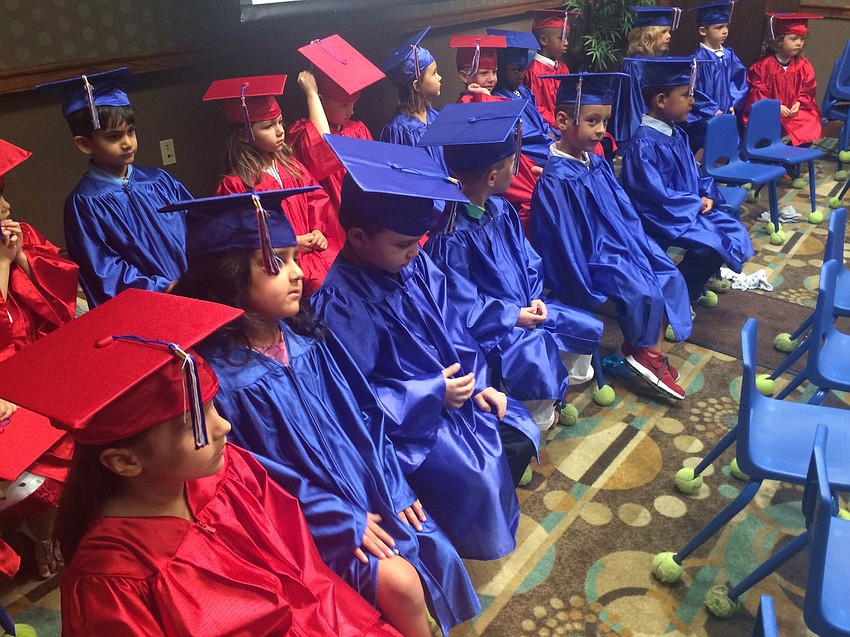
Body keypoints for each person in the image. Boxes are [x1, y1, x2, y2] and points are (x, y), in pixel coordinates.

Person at [0, 288, 405, 637]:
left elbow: (309, 580)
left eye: (213, 409)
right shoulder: (111, 583)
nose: (224, 426)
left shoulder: (230, 474)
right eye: (195, 423)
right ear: (124, 461)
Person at [167, 189, 480, 637]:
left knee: (431, 543)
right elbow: (250, 479)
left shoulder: (309, 341)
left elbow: (365, 415)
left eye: (296, 257)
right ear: (228, 278)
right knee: (400, 581)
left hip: (369, 486)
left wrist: (393, 484)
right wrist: (339, 520)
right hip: (305, 526)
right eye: (277, 263)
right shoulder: (219, 381)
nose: (297, 274)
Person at [312, 136, 539, 560]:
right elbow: (352, 398)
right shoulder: (339, 304)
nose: (415, 253)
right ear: (358, 238)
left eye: (418, 242)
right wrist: (433, 392)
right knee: (479, 472)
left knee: (519, 429)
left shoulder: (411, 262)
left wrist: (479, 383)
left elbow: (454, 329)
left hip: (452, 395)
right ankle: (448, 538)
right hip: (403, 425)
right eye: (403, 244)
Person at [419, 101, 603, 433]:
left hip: (525, 307)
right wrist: (512, 315)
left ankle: (552, 400)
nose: (516, 170)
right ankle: (524, 424)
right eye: (512, 165)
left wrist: (535, 298)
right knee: (534, 354)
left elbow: (529, 260)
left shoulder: (502, 210)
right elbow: (460, 305)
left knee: (579, 324)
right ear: (493, 176)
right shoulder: (452, 236)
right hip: (493, 327)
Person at [531, 73, 693, 401]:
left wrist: (637, 244)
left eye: (605, 120)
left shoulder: (599, 163)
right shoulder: (556, 180)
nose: (602, 130)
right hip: (591, 257)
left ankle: (642, 350)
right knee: (643, 287)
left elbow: (624, 212)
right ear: (562, 120)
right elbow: (563, 242)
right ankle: (644, 353)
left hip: (619, 242)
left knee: (667, 271)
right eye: (592, 121)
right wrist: (581, 282)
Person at [38, 68, 190, 307]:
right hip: (149, 305)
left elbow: (196, 224)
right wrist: (164, 288)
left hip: (192, 289)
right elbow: (104, 270)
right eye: (113, 137)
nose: (127, 143)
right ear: (85, 144)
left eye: (131, 131)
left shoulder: (159, 181)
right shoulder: (85, 203)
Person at [620, 58, 754, 315]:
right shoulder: (643, 145)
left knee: (732, 231)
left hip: (684, 210)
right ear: (661, 100)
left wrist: (706, 193)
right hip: (658, 216)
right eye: (686, 95)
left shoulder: (676, 134)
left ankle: (687, 289)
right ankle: (676, 297)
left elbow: (694, 173)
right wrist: (694, 203)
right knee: (710, 244)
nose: (693, 101)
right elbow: (653, 194)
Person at [0, 138, 78, 580]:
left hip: (41, 362)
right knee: (46, 470)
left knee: (90, 431)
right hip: (4, 383)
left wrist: (24, 260)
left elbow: (60, 301)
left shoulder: (21, 234)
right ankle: (42, 533)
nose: (8, 205)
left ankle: (48, 531)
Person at [204, 74, 336, 295]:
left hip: (315, 258)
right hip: (280, 271)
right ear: (244, 136)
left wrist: (317, 230)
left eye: (280, 122)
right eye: (268, 126)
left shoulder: (293, 166)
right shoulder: (236, 185)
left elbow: (317, 198)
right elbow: (243, 239)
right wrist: (289, 243)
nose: (280, 130)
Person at [290, 34, 384, 249]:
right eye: (343, 105)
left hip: (366, 218)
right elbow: (326, 150)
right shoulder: (302, 133)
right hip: (332, 227)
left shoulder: (357, 128)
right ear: (321, 101)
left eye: (352, 103)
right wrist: (311, 94)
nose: (351, 110)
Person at [451, 34, 543, 234]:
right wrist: (484, 99)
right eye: (484, 73)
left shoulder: (488, 98)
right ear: (464, 76)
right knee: (535, 199)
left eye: (494, 71)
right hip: (492, 175)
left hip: (507, 169)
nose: (492, 79)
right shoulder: (468, 105)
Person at [742, 12, 823, 147]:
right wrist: (777, 107)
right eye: (794, 39)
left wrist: (800, 103)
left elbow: (808, 89)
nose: (799, 43)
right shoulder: (763, 67)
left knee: (811, 120)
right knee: (770, 125)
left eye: (802, 39)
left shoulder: (803, 66)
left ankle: (790, 161)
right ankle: (770, 157)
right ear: (779, 40)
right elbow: (758, 93)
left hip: (793, 112)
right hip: (772, 112)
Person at [379, 28, 448, 174]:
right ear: (417, 85)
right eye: (434, 73)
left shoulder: (439, 117)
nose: (439, 77)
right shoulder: (396, 130)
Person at [682, 1, 747, 155]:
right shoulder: (697, 60)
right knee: (707, 143)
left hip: (727, 112)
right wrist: (710, 109)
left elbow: (739, 80)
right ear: (703, 31)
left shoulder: (729, 56)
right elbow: (692, 91)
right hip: (704, 116)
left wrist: (733, 103)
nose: (724, 31)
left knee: (730, 143)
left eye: (726, 27)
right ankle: (697, 169)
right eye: (718, 27)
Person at [487, 28, 559, 166]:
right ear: (501, 70)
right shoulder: (499, 100)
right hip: (530, 153)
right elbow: (524, 134)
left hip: (545, 143)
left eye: (523, 70)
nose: (521, 75)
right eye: (515, 71)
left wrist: (550, 131)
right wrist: (549, 142)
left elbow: (540, 119)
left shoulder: (525, 91)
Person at [612, 6, 682, 145]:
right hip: (639, 136)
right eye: (663, 32)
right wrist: (642, 139)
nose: (669, 36)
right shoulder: (634, 65)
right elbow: (634, 107)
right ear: (647, 37)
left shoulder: (656, 63)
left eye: (668, 31)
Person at [524, 10, 572, 131]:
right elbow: (537, 108)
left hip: (567, 123)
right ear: (544, 40)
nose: (566, 43)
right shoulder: (533, 72)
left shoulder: (563, 68)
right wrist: (561, 123)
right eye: (562, 38)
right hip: (550, 128)